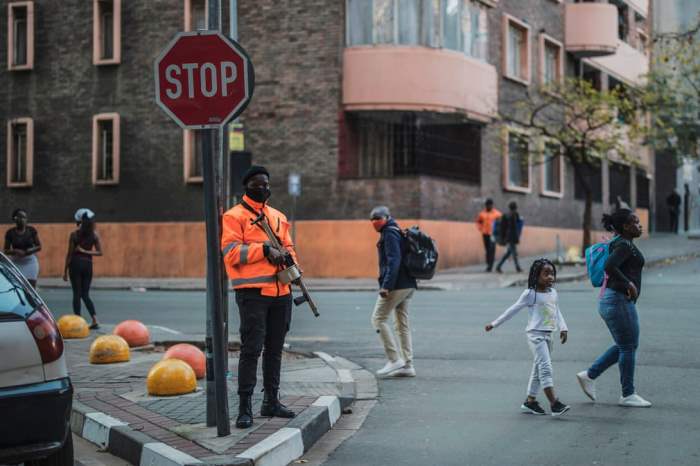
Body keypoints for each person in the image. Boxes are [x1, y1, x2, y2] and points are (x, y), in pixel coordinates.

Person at [221, 166, 298, 429]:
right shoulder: (234, 216)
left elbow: (288, 246)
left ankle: (271, 402)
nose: (264, 189)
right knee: (251, 350)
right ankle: (244, 408)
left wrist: (292, 263)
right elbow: (231, 252)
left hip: (282, 292)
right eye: (258, 185)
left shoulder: (278, 216)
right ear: (247, 187)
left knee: (275, 350)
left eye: (266, 184)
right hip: (252, 293)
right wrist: (264, 250)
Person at [576, 209, 651, 408]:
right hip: (617, 300)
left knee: (627, 345)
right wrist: (628, 283)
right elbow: (609, 266)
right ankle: (628, 394)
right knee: (628, 346)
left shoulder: (623, 243)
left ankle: (589, 375)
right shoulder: (624, 245)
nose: (639, 225)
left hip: (614, 300)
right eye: (635, 222)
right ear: (626, 226)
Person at [485, 259, 570, 416]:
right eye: (546, 274)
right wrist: (494, 324)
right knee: (545, 368)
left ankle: (530, 401)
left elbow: (556, 312)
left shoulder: (553, 293)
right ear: (536, 276)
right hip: (535, 335)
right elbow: (512, 310)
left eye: (552, 273)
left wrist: (563, 328)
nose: (550, 277)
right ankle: (554, 403)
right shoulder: (530, 294)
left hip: (549, 335)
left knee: (538, 368)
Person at [369, 206, 417, 378]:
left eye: (378, 218)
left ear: (387, 218)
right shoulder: (395, 230)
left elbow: (393, 261)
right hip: (408, 283)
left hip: (397, 285)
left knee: (378, 319)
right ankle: (407, 365)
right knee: (401, 324)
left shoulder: (389, 233)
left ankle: (394, 359)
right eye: (372, 219)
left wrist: (386, 285)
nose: (374, 222)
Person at [63, 209, 102, 329]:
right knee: (85, 294)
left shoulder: (74, 235)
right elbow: (100, 252)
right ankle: (95, 319)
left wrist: (65, 271)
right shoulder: (94, 235)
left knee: (76, 294)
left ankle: (78, 322)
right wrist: (86, 251)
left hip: (75, 264)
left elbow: (69, 254)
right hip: (88, 265)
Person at [4, 209, 42, 288]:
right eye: (20, 217)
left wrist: (30, 251)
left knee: (31, 287)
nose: (23, 219)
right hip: (16, 262)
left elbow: (39, 246)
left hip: (30, 262)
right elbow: (6, 250)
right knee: (17, 287)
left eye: (24, 217)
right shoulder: (10, 232)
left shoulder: (31, 230)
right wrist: (15, 251)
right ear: (15, 219)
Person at [495, 201, 523, 273]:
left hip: (510, 237)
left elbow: (503, 227)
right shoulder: (511, 215)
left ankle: (498, 266)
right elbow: (516, 225)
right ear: (515, 208)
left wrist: (503, 237)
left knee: (508, 253)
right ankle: (518, 267)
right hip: (511, 237)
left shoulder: (509, 215)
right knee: (514, 253)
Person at [475, 199, 502, 272]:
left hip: (493, 234)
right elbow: (478, 222)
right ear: (486, 205)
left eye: (490, 205)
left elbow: (501, 223)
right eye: (488, 205)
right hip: (485, 234)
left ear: (492, 205)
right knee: (487, 249)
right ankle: (488, 263)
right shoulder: (482, 214)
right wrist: (480, 228)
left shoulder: (497, 214)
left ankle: (490, 266)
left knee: (492, 249)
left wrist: (498, 231)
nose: (489, 206)